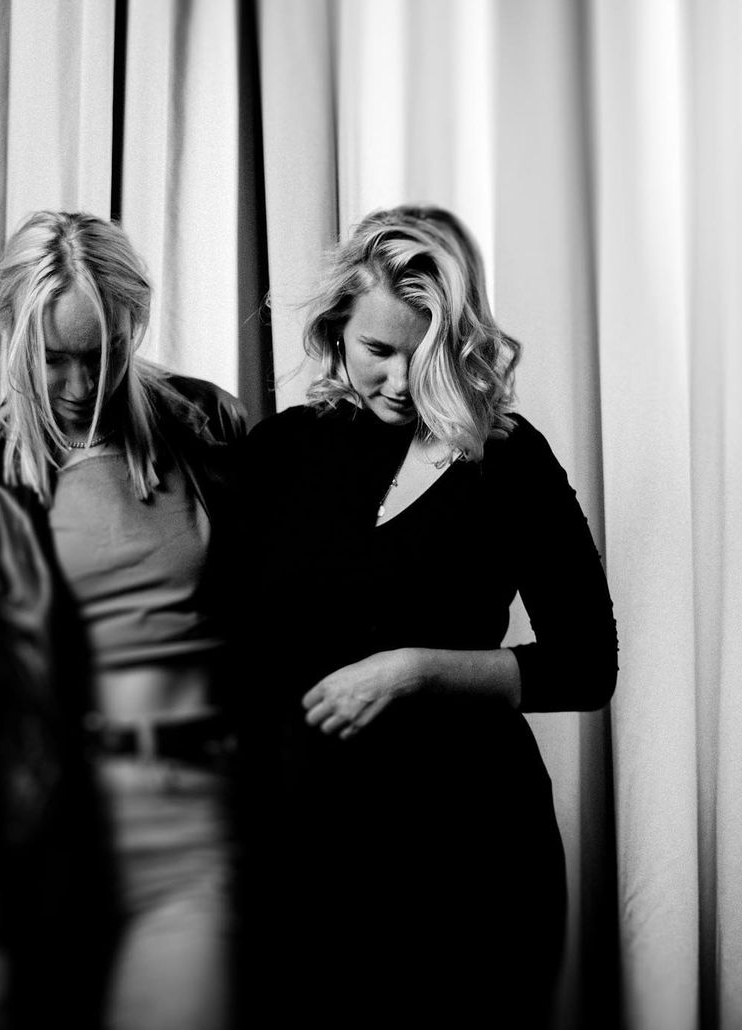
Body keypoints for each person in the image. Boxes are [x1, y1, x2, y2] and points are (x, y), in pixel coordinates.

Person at [230, 204, 617, 1029]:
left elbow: (588, 666)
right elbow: (232, 652)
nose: (402, 382)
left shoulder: (509, 459)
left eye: (427, 353)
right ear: (337, 329)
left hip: (474, 857)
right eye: (379, 350)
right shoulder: (279, 452)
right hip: (310, 855)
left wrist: (413, 671)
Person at [0, 210, 247, 1030]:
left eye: (100, 356)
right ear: (12, 335)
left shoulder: (212, 427)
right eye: (52, 359)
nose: (76, 387)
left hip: (199, 820)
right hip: (52, 835)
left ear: (135, 324)